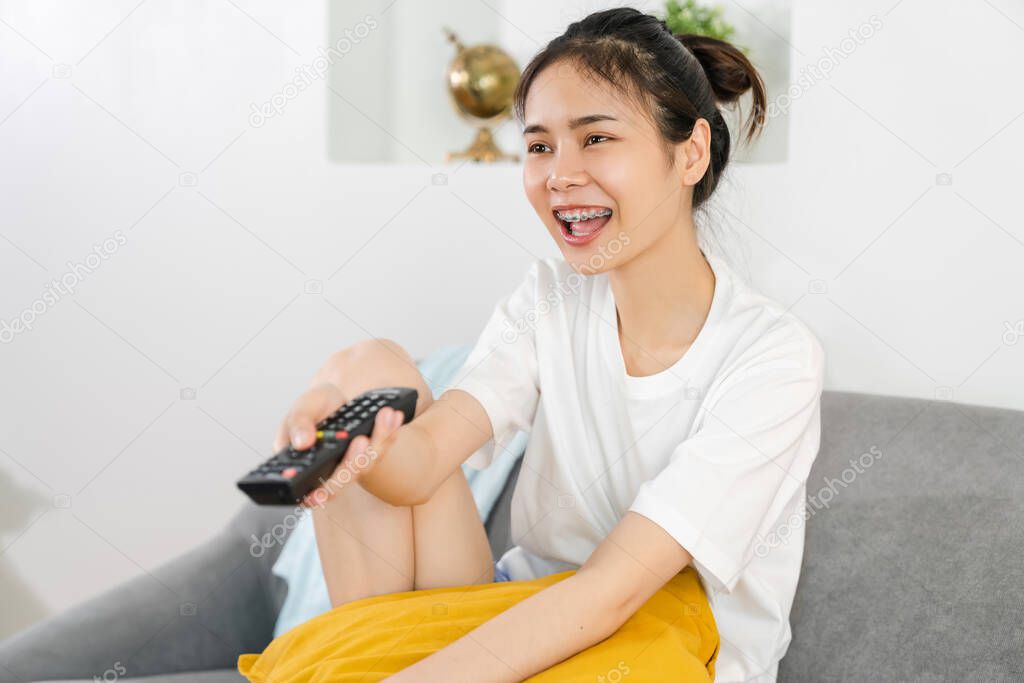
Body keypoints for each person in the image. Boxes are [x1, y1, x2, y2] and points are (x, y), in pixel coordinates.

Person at [273, 7, 824, 681]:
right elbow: (418, 466)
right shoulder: (549, 298)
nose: (559, 175)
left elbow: (613, 590)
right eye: (538, 146)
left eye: (595, 139)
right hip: (519, 618)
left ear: (691, 152)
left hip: (655, 645)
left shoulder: (773, 357)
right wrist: (345, 434)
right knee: (371, 368)